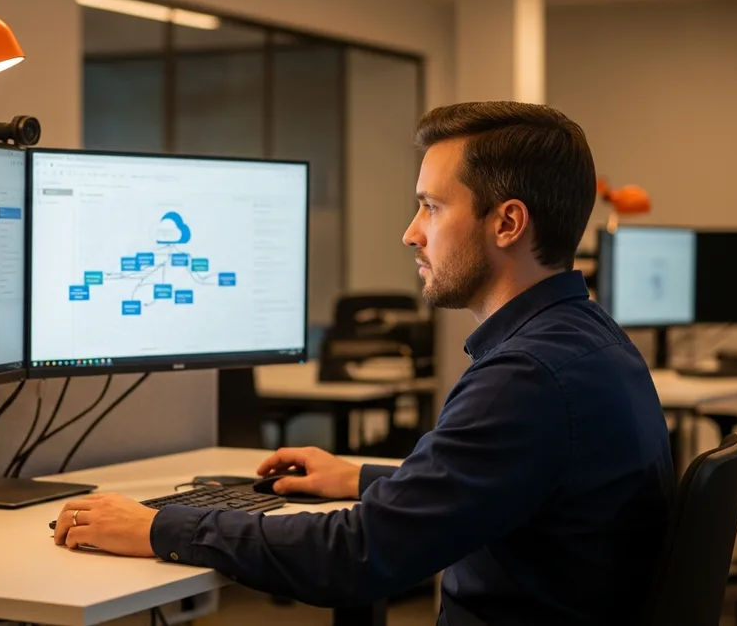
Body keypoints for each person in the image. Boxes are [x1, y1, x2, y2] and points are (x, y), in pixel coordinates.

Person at [51, 101, 676, 626]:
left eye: (431, 207)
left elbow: (353, 557)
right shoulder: (587, 339)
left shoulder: (528, 377)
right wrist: (363, 478)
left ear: (508, 222)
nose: (411, 232)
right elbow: (507, 483)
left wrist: (160, 526)